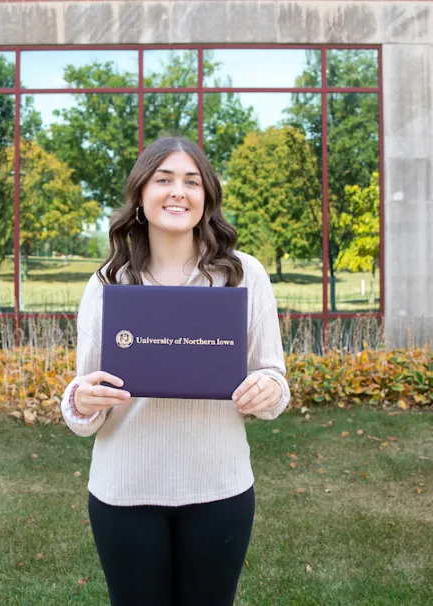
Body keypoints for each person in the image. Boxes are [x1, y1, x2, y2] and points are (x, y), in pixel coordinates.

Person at [61, 135, 291, 606]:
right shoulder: (107, 283)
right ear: (141, 195)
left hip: (218, 489)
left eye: (191, 181)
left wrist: (269, 390)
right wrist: (80, 402)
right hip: (125, 492)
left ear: (206, 197)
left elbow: (275, 377)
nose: (177, 192)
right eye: (163, 180)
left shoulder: (243, 275)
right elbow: (82, 400)